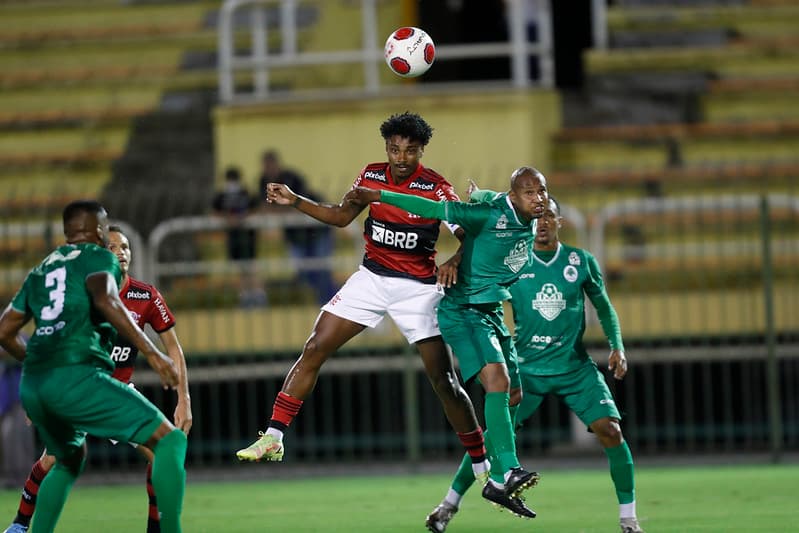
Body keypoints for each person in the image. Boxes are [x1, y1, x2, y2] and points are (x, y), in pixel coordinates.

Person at [238, 112, 494, 501]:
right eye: (394, 149)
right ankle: (273, 436)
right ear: (386, 148)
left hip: (419, 289)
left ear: (422, 150)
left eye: (410, 150)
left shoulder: (437, 187)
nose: (401, 156)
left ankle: (481, 465)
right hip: (371, 279)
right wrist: (295, 201)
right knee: (314, 346)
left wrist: (456, 259)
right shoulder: (371, 175)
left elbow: (469, 233)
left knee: (444, 382)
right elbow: (342, 217)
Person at [426, 194, 644, 533]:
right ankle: (447, 506)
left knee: (611, 431)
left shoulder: (580, 261)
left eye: (549, 217)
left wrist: (617, 346)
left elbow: (603, 306)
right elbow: (478, 261)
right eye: (537, 218)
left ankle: (629, 520)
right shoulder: (515, 259)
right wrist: (456, 258)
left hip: (574, 367)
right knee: (493, 440)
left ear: (559, 221)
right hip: (526, 370)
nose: (542, 224)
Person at [348, 166, 550, 520]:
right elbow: (430, 208)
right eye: (530, 193)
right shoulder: (486, 214)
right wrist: (379, 196)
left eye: (542, 192)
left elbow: (491, 195)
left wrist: (478, 195)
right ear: (516, 196)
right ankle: (506, 473)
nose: (539, 199)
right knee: (496, 384)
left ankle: (479, 486)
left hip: (489, 310)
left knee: (515, 395)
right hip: (464, 310)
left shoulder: (527, 212)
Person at [0, 200, 186, 533]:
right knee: (170, 442)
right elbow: (106, 299)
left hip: (36, 382)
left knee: (70, 460)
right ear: (98, 230)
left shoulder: (43, 269)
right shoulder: (100, 258)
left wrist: (39, 369)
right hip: (83, 378)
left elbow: (4, 331)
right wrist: (153, 354)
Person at [258, 150, 337, 304]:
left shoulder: (291, 178)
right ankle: (327, 302)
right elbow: (264, 206)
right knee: (305, 272)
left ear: (277, 164)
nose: (268, 169)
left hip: (317, 230)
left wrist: (279, 210)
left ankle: (333, 302)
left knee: (322, 271)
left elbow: (301, 203)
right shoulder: (263, 182)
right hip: (295, 235)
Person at [212, 166, 266, 308]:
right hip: (233, 237)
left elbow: (257, 209)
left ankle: (259, 296)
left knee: (252, 266)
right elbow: (214, 212)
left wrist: (243, 218)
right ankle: (246, 297)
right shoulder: (221, 196)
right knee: (240, 268)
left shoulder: (246, 194)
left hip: (248, 237)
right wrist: (227, 219)